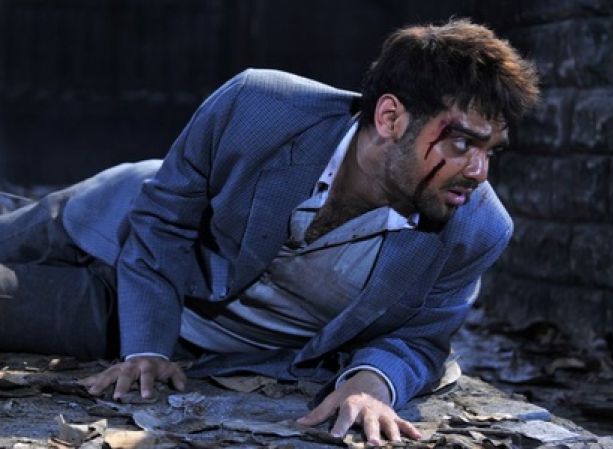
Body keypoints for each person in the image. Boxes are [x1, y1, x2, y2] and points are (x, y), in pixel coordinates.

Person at [0, 18, 538, 445]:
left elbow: (421, 339)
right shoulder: (260, 104)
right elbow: (163, 220)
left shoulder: (476, 228)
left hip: (131, 316)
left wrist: (372, 384)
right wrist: (146, 347)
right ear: (391, 118)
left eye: (491, 151)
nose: (478, 171)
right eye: (462, 143)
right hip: (111, 219)